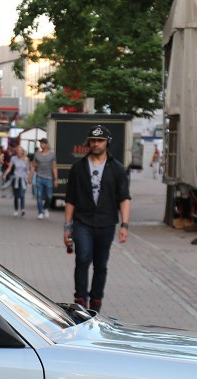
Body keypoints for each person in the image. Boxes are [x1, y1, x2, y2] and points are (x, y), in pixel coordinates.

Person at [62, 125, 131, 313]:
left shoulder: (117, 169)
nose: (96, 144)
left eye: (99, 141)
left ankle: (96, 301)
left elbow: (124, 198)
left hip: (106, 223)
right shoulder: (78, 168)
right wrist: (67, 226)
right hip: (82, 221)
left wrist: (124, 224)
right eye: (92, 140)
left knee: (101, 264)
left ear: (107, 143)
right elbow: (70, 199)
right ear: (88, 143)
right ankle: (80, 299)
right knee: (83, 258)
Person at [31, 137, 57, 219]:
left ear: (46, 144)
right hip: (39, 177)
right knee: (38, 195)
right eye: (40, 143)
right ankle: (40, 212)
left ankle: (45, 208)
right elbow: (32, 165)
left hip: (49, 178)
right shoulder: (37, 154)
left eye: (43, 143)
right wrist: (30, 176)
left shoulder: (52, 155)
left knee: (49, 196)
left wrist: (56, 179)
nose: (41, 145)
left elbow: (54, 167)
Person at [4, 145, 31, 217]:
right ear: (16, 152)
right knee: (16, 196)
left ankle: (22, 209)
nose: (19, 152)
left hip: (23, 179)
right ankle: (16, 210)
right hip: (16, 179)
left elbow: (28, 170)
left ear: (22, 152)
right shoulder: (13, 158)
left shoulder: (26, 159)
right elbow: (10, 167)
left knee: (22, 194)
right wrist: (5, 174)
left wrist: (29, 178)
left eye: (20, 151)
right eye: (18, 150)